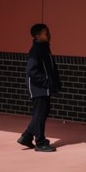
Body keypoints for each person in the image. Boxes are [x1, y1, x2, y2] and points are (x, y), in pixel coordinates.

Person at [19, 23, 62, 152]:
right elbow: (31, 70)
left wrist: (55, 82)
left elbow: (51, 67)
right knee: (40, 114)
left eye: (48, 32)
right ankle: (40, 142)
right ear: (38, 36)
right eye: (46, 33)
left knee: (43, 112)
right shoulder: (36, 50)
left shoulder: (44, 48)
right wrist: (46, 81)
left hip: (44, 87)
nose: (49, 35)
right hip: (38, 87)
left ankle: (27, 136)